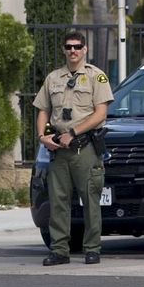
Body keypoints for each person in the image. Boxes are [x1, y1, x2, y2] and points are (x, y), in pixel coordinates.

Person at [33, 30, 113, 266]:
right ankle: (59, 250)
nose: (73, 51)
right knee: (58, 201)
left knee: (90, 199)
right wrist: (42, 136)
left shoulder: (96, 77)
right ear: (63, 50)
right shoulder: (53, 78)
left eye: (77, 46)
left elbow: (101, 113)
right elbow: (43, 110)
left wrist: (73, 133)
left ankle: (92, 248)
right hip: (58, 149)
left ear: (85, 49)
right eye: (68, 47)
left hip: (84, 147)